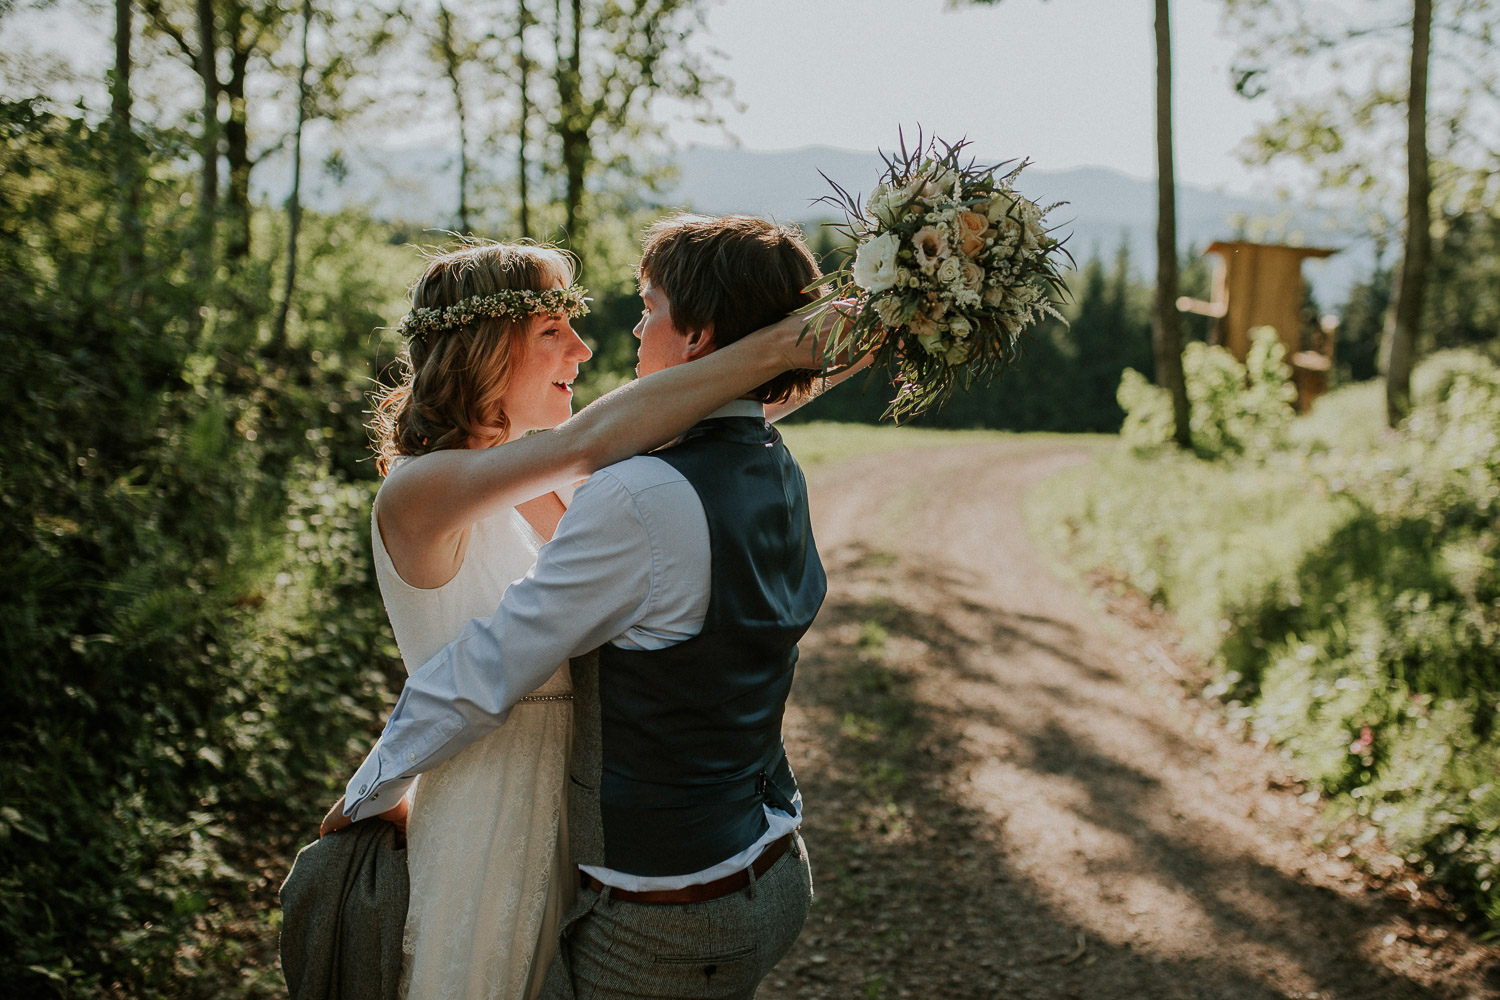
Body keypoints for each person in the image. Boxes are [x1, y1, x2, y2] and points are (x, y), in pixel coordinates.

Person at [326, 215, 838, 999]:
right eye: (554, 329)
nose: (585, 350)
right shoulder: (423, 487)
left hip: (575, 812)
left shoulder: (536, 479)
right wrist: (374, 792)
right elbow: (609, 437)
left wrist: (845, 343)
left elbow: (702, 426)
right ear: (489, 347)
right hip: (492, 809)